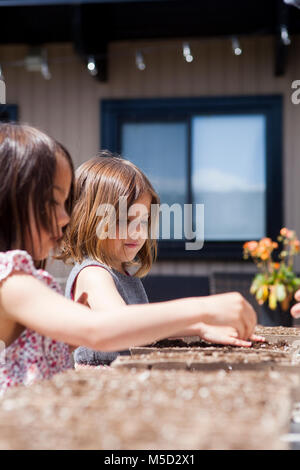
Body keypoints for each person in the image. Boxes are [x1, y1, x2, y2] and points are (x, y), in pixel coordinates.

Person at [0, 123, 258, 396]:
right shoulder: (13, 281)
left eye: (66, 204)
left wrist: (198, 326)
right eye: (53, 202)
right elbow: (102, 328)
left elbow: (117, 328)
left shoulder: (32, 282)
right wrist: (201, 309)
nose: (65, 217)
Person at [60, 154, 263, 368]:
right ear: (91, 219)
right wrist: (201, 310)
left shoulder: (120, 272)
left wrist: (199, 327)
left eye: (144, 220)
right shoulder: (93, 273)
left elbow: (144, 327)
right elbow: (122, 325)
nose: (138, 232)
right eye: (126, 220)